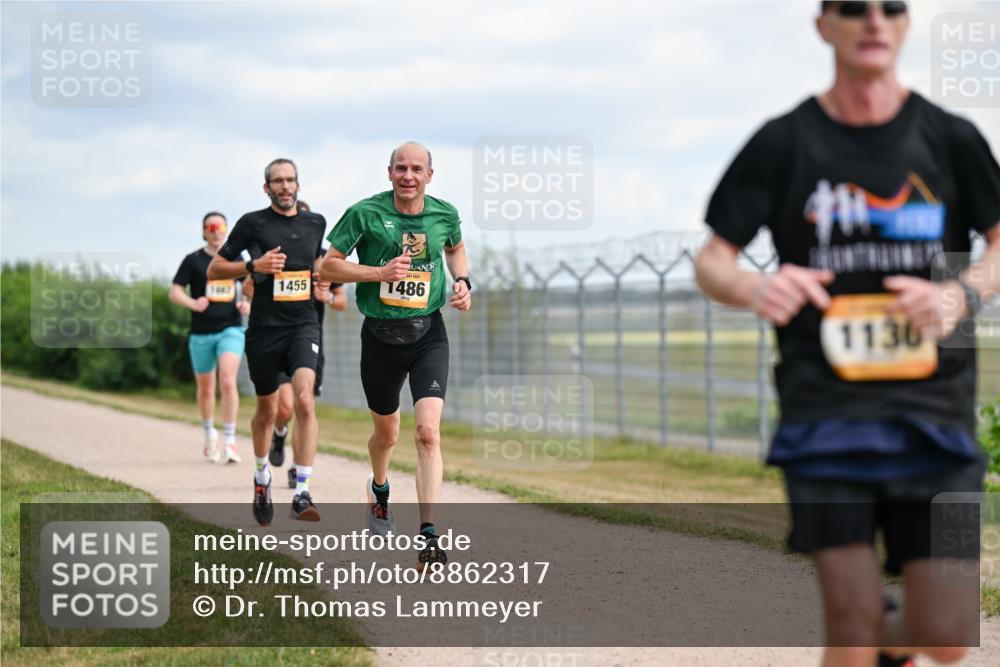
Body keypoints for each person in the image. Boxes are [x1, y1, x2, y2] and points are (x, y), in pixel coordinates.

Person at [694, 3, 1000, 666]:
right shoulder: (784, 142)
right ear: (823, 25)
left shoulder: (950, 138)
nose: (873, 20)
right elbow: (713, 258)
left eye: (891, 7)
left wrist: (960, 292)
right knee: (851, 620)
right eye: (854, 8)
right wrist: (756, 287)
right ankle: (870, 627)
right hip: (825, 417)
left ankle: (897, 632)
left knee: (947, 636)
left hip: (937, 415)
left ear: (906, 25)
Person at [321, 141, 471, 568]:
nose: (408, 175)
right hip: (381, 337)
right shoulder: (364, 213)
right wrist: (378, 273)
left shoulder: (445, 213)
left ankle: (428, 536)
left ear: (429, 175)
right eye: (401, 168)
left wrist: (463, 282)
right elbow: (327, 267)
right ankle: (381, 489)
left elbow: (455, 248)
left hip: (429, 334)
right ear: (389, 173)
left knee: (427, 433)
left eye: (416, 169)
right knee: (386, 435)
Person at [207, 158, 328, 526]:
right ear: (267, 188)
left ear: (299, 185)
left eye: (291, 180)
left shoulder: (315, 223)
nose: (286, 186)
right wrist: (253, 267)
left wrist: (322, 280)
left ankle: (302, 490)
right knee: (267, 411)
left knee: (305, 400)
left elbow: (318, 264)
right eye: (278, 181)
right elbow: (216, 269)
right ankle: (262, 478)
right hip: (264, 329)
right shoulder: (251, 223)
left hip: (304, 324)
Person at [243, 200, 348, 488]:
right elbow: (248, 286)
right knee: (284, 406)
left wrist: (323, 294)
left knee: (305, 403)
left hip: (309, 337)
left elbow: (341, 302)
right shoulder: (273, 255)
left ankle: (297, 469)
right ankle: (278, 434)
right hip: (275, 335)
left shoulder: (326, 260)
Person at [169, 211, 249, 463]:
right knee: (206, 388)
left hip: (231, 329)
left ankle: (231, 441)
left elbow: (251, 284)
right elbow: (175, 291)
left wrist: (246, 302)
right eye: (210, 226)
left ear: (226, 230)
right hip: (201, 332)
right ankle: (209, 435)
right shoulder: (193, 260)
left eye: (220, 226)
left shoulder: (236, 257)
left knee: (227, 381)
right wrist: (193, 303)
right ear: (204, 231)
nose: (215, 230)